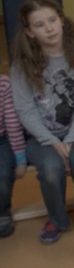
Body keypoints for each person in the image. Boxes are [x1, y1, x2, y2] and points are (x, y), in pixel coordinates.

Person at [10, 0, 74, 244]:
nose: (49, 28)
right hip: (40, 137)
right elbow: (25, 109)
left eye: (52, 20)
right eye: (40, 25)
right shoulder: (22, 66)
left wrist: (71, 139)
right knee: (51, 170)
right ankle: (57, 219)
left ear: (62, 20)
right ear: (30, 32)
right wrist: (51, 141)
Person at [0, 71, 26, 238]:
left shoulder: (3, 84)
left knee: (3, 174)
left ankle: (2, 212)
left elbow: (12, 123)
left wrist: (20, 158)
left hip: (2, 140)